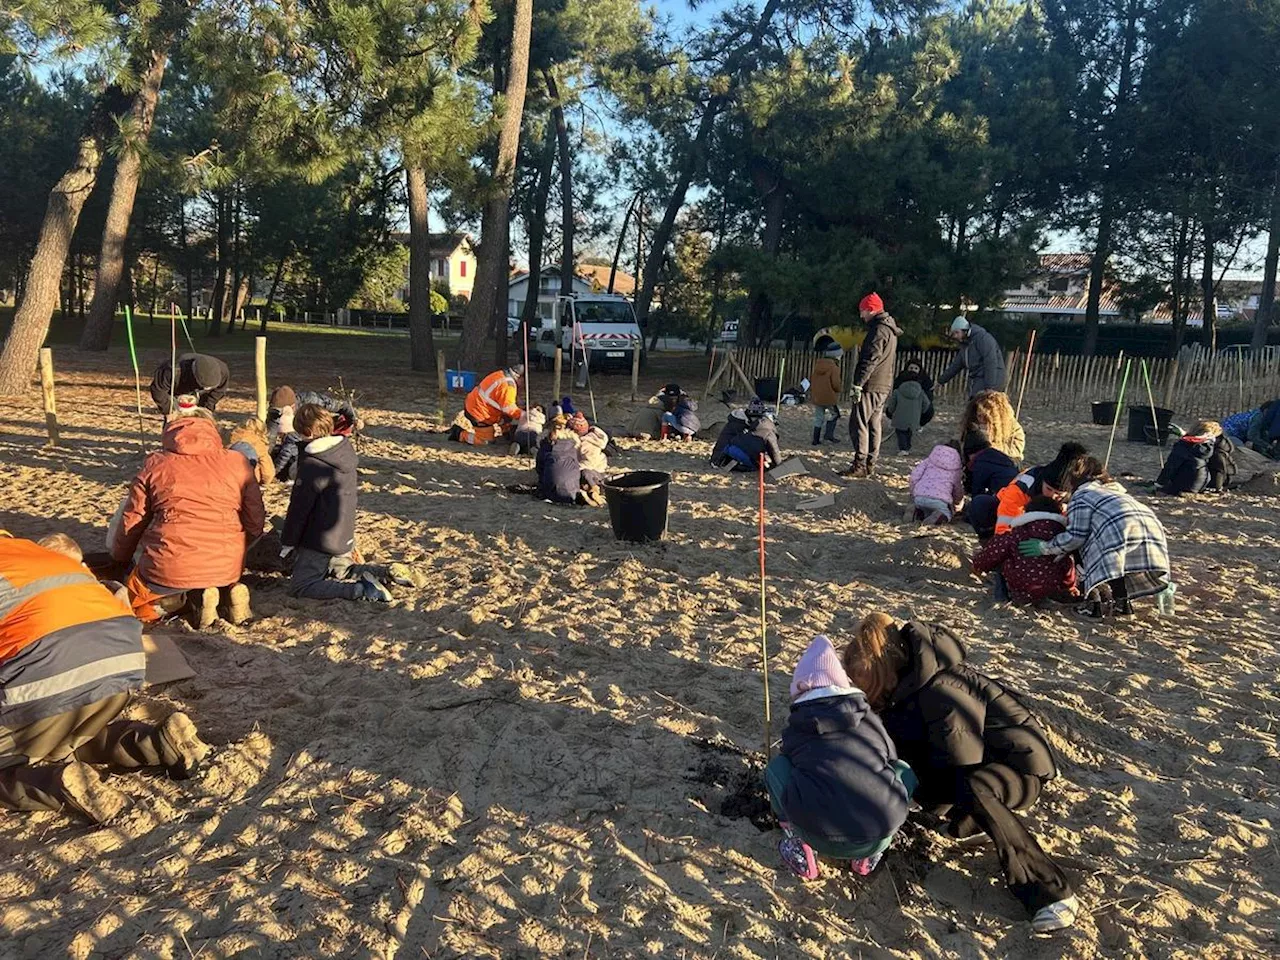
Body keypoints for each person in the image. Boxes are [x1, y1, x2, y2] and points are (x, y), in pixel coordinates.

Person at [843, 614, 1079, 933]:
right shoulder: (903, 690)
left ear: (885, 672)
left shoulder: (943, 688)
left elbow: (961, 762)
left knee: (973, 787)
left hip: (1019, 770)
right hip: (967, 768)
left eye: (866, 685)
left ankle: (1050, 892)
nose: (865, 694)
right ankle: (972, 823)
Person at [0, 534, 210, 823]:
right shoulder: (31, 552)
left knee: (27, 732)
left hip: (47, 676)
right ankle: (156, 742)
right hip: (122, 666)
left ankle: (57, 785)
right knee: (58, 734)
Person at [764, 635, 914, 880]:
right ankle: (868, 855)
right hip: (878, 833)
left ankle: (798, 843)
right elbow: (891, 760)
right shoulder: (871, 720)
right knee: (902, 769)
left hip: (816, 832)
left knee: (777, 769)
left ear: (802, 688)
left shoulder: (798, 726)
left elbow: (789, 765)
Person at [111, 415, 265, 627]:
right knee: (212, 573)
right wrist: (242, 546)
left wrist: (120, 556)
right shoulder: (237, 461)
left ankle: (173, 602)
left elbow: (132, 521)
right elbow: (255, 518)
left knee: (136, 603)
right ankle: (227, 592)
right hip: (226, 565)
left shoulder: (156, 464)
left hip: (170, 565)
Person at [1019, 456, 1170, 618]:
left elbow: (1074, 537)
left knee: (1084, 551)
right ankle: (1123, 604)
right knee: (1118, 565)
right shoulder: (1115, 492)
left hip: (1118, 531)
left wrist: (1044, 547)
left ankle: (1092, 605)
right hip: (1151, 530)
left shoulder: (1082, 496)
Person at [280, 405, 398, 602]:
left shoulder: (313, 465)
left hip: (321, 540)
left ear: (307, 433)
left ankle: (362, 591)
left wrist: (288, 542)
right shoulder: (344, 453)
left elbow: (298, 510)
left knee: (301, 585)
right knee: (342, 570)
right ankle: (386, 573)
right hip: (344, 537)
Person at [967, 441, 1087, 541]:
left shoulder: (1079, 495)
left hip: (1049, 535)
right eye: (1049, 489)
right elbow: (1005, 523)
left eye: (1058, 494)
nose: (1052, 495)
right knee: (980, 505)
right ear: (1042, 481)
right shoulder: (1022, 486)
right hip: (1014, 518)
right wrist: (1001, 548)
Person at [971, 496, 1078, 605]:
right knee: (1064, 560)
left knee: (1004, 556)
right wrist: (1069, 586)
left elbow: (993, 551)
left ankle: (1009, 595)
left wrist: (978, 565)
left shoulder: (1019, 533)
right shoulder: (1061, 537)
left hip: (1022, 587)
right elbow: (1068, 565)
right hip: (1053, 587)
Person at [842, 293, 902, 478]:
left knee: (858, 422)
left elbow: (870, 359)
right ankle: (870, 463)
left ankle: (860, 464)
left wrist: (858, 384)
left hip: (871, 384)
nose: (861, 316)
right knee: (874, 423)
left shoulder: (878, 330)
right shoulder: (890, 330)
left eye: (863, 311)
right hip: (883, 384)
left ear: (871, 309)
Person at [269, 386, 361, 481]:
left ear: (292, 406)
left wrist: (354, 420)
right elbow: (271, 438)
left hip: (323, 433)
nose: (279, 416)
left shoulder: (312, 400)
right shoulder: (275, 413)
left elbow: (343, 406)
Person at [450, 366, 524, 446]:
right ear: (520, 377)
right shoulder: (508, 386)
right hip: (478, 412)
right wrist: (524, 416)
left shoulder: (500, 374)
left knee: (508, 416)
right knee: (485, 442)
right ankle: (459, 434)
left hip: (477, 405)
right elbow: (509, 409)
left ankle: (506, 432)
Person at [1156, 420, 1233, 495]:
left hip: (1184, 485)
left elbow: (1171, 466)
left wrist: (1160, 484)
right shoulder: (1210, 447)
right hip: (1202, 484)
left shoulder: (1184, 445)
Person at [937, 317, 1007, 398]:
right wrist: (941, 381)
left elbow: (990, 362)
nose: (955, 336)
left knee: (980, 405)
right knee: (974, 404)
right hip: (979, 378)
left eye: (957, 332)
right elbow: (956, 365)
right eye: (953, 333)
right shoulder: (965, 345)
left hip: (993, 378)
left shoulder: (983, 338)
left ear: (965, 330)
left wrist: (990, 387)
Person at [710, 398, 783, 471]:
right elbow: (774, 450)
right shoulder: (767, 430)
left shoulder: (746, 423)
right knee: (756, 466)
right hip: (724, 453)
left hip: (726, 451)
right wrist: (778, 465)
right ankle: (735, 464)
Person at [149, 353, 230, 416]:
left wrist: (207, 409)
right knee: (174, 424)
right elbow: (158, 391)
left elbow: (218, 391)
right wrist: (168, 412)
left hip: (202, 395)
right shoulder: (171, 371)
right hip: (177, 390)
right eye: (204, 386)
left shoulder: (223, 371)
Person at [907, 440, 965, 524]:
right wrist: (957, 502)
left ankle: (916, 512)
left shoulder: (929, 460)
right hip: (940, 501)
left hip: (919, 496)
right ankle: (939, 516)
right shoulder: (956, 470)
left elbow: (914, 476)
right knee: (946, 513)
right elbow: (957, 489)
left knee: (925, 511)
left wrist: (913, 491)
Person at [958, 390, 1025, 462]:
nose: (981, 420)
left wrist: (990, 447)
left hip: (1002, 463)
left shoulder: (1013, 427)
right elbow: (960, 445)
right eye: (979, 416)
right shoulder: (970, 424)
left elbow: (1016, 452)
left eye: (986, 418)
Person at [536, 415, 584, 504]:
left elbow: (539, 469)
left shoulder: (545, 445)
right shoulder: (573, 445)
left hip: (551, 494)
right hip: (572, 492)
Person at [962, 429, 1019, 504]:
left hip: (1007, 496)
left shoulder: (980, 463)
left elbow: (977, 490)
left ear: (971, 452)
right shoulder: (997, 455)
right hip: (1018, 488)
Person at [887, 369, 932, 453]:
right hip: (914, 418)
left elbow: (891, 405)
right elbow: (927, 405)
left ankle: (903, 449)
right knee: (909, 433)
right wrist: (920, 412)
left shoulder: (897, 391)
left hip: (899, 418)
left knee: (900, 433)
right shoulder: (921, 392)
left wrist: (890, 412)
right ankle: (907, 447)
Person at [809, 338, 844, 445]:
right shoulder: (834, 367)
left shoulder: (818, 364)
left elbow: (813, 380)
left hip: (817, 396)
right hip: (828, 397)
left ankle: (815, 439)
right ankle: (828, 435)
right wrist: (839, 389)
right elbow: (835, 383)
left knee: (819, 417)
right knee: (835, 414)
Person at [229, 417, 277, 485]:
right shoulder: (259, 445)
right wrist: (265, 482)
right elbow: (268, 472)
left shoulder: (232, 440)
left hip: (230, 476)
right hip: (250, 479)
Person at [568, 411, 610, 489]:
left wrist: (574, 468)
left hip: (596, 472)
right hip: (593, 469)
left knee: (585, 473)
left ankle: (596, 489)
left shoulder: (588, 444)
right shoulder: (584, 441)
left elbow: (590, 463)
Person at [893, 360, 936, 426]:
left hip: (918, 406)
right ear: (907, 369)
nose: (913, 370)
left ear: (920, 370)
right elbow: (895, 393)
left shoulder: (925, 380)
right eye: (911, 368)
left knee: (929, 410)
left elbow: (929, 396)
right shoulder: (901, 378)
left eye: (916, 368)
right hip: (903, 405)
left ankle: (920, 424)